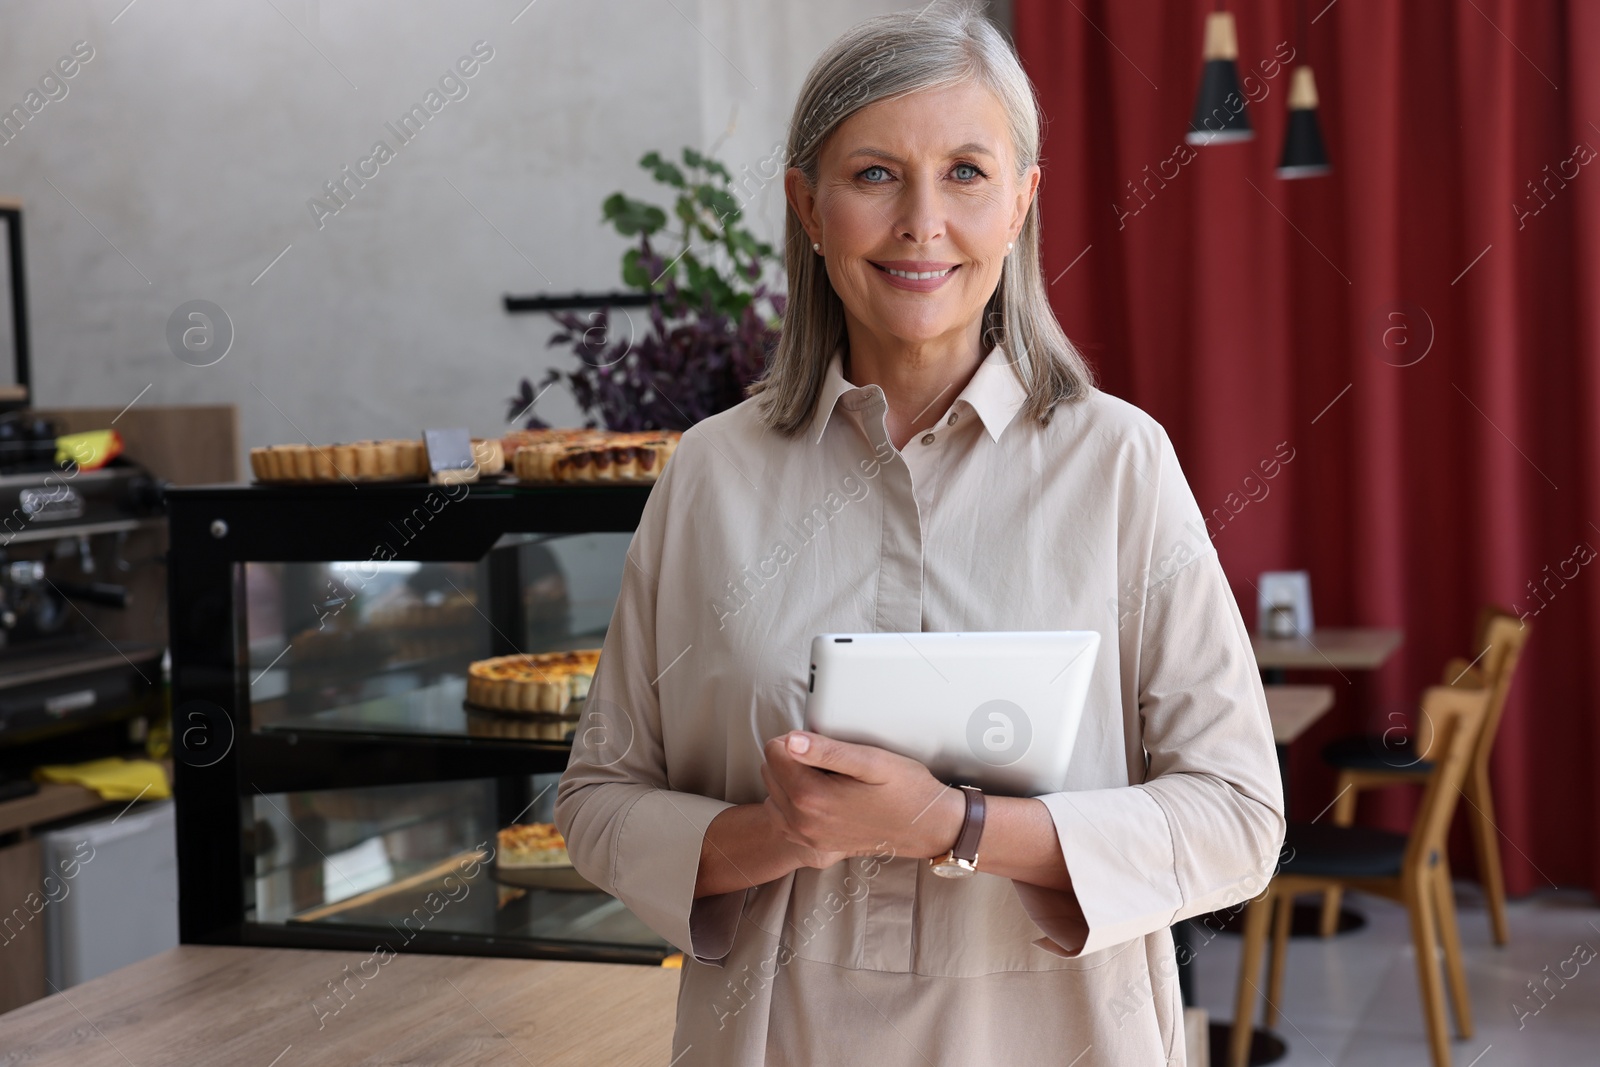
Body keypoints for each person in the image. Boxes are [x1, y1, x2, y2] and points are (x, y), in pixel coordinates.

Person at [555, 4, 1284, 1063]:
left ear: (1023, 203)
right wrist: (779, 831)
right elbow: (597, 799)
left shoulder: (1121, 464)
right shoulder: (709, 471)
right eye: (873, 174)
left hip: (1053, 1037)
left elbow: (1236, 819)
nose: (921, 223)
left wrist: (950, 824)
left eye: (967, 172)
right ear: (806, 206)